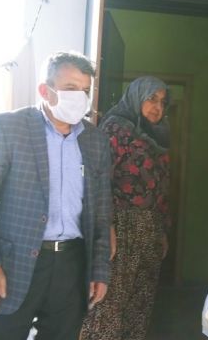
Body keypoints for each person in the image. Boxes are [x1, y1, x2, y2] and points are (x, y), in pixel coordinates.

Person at [0, 52, 112, 340]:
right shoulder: (10, 128)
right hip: (11, 265)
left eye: (85, 90)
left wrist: (99, 270)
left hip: (71, 266)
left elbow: (102, 215)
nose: (80, 97)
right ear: (45, 90)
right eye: (70, 88)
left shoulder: (95, 141)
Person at [81, 76, 171, 340]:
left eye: (163, 102)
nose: (157, 107)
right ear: (136, 98)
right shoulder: (114, 130)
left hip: (150, 228)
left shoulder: (159, 134)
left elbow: (161, 186)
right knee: (110, 300)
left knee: (140, 302)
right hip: (120, 228)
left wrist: (163, 230)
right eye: (151, 99)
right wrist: (105, 226)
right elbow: (99, 182)